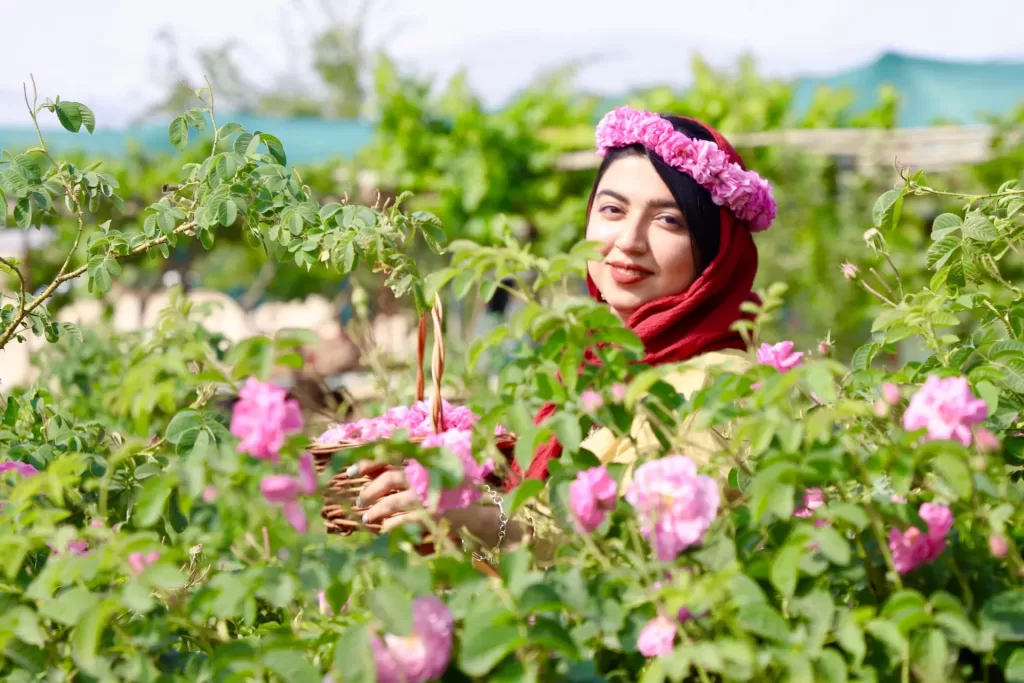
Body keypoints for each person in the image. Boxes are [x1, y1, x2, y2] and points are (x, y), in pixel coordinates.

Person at [350, 106, 774, 559]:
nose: (629, 241)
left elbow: (636, 553)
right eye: (612, 210)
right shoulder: (591, 366)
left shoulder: (725, 388)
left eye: (668, 220)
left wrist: (481, 522)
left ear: (714, 251)